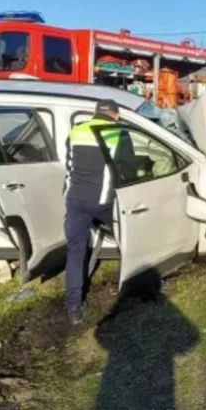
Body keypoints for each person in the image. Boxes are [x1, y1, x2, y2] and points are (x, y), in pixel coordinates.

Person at [64, 98, 132, 325]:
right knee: (130, 241)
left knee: (75, 252)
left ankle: (73, 308)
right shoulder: (119, 133)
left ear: (96, 113)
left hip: (75, 200)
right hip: (104, 203)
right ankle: (129, 290)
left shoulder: (76, 130)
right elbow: (129, 168)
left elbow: (69, 164)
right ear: (115, 115)